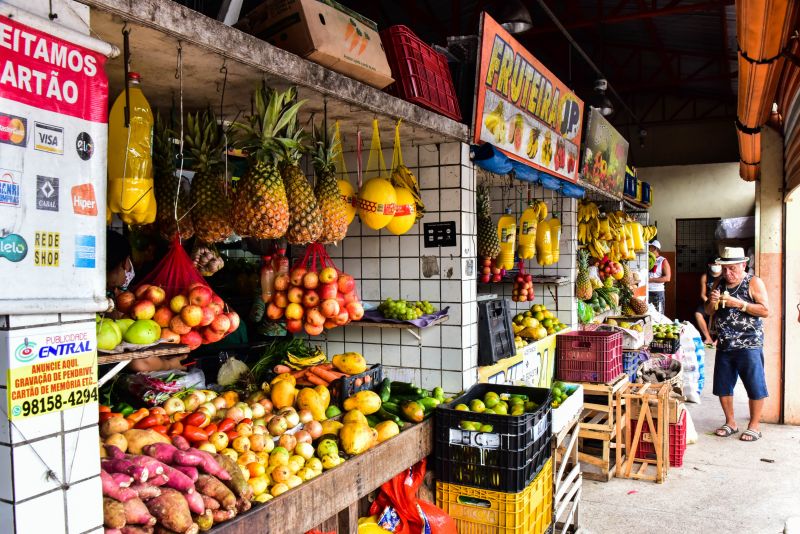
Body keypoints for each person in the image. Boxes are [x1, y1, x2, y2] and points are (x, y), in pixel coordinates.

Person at [705, 247, 770, 442]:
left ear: (744, 265)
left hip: (749, 343)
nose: (728, 273)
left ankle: (754, 426)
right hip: (725, 344)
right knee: (723, 385)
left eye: (732, 268)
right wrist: (713, 302)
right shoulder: (719, 282)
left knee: (754, 384)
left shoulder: (753, 282)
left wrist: (739, 303)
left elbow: (765, 310)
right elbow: (709, 311)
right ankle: (730, 422)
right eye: (724, 268)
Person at [106, 230, 184, 372]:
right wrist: (170, 365)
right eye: (128, 263)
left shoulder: (109, 294)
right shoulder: (103, 303)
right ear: (123, 263)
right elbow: (139, 363)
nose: (129, 268)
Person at [695, 258, 722, 346]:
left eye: (718, 264)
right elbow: (703, 294)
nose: (716, 266)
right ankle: (708, 338)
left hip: (722, 302)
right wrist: (710, 303)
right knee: (698, 314)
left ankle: (719, 339)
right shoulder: (705, 276)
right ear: (709, 265)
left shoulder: (724, 276)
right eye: (714, 264)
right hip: (708, 302)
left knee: (724, 314)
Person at [648, 240, 671, 314]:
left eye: (650, 247)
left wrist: (650, 280)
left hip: (657, 292)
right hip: (646, 290)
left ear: (655, 248)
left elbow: (667, 278)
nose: (648, 248)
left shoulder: (662, 260)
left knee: (658, 314)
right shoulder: (646, 259)